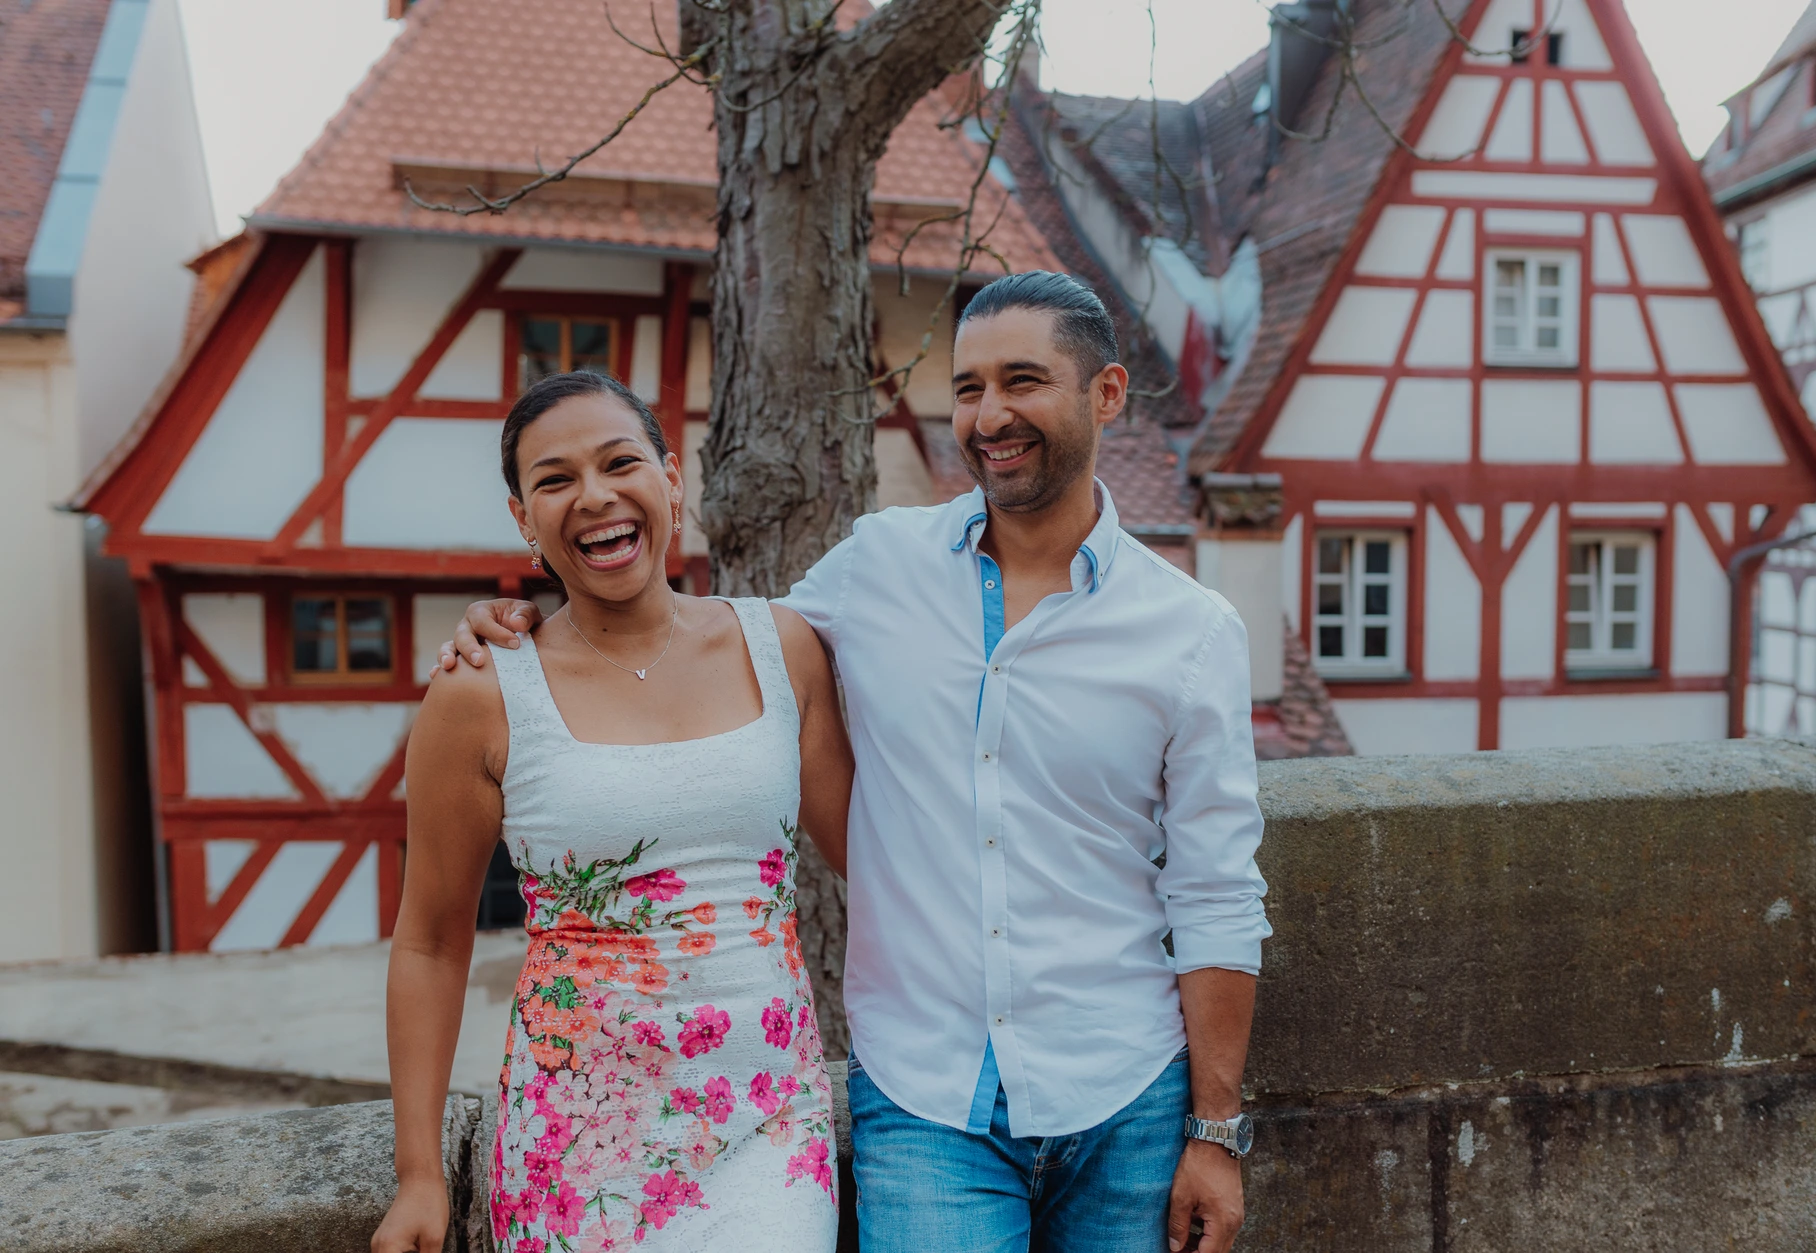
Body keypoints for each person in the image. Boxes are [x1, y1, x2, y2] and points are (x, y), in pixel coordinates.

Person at [439, 271, 1270, 1253]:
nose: (988, 414)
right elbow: (704, 642)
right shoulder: (877, 565)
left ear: (1106, 393)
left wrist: (1213, 1130)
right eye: (965, 388)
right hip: (923, 1096)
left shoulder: (1192, 632)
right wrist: (514, 626)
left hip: (1123, 1092)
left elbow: (1215, 892)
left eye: (1021, 381)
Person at [372, 372, 853, 1253]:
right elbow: (430, 942)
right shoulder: (481, 691)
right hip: (574, 1150)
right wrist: (418, 1175)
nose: (594, 497)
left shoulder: (785, 649)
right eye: (555, 480)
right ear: (523, 517)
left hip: (768, 1129)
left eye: (619, 462)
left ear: (671, 480)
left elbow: (883, 860)